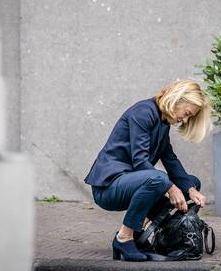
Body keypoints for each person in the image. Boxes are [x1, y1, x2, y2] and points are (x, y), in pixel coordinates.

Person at [84, 79, 211, 261]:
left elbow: (170, 160)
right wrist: (171, 188)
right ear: (177, 99)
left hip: (131, 182)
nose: (185, 119)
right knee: (159, 180)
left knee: (190, 183)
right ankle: (124, 238)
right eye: (187, 113)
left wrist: (190, 189)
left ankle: (137, 234)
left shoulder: (162, 121)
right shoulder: (144, 112)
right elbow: (140, 161)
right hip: (108, 187)